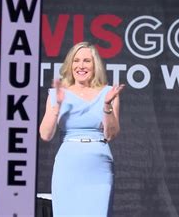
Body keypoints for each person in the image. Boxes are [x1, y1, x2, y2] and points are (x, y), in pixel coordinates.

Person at [39, 42, 125, 216]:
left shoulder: (108, 93)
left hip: (98, 167)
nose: (81, 65)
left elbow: (111, 134)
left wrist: (107, 104)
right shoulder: (57, 93)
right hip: (68, 165)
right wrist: (57, 105)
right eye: (76, 60)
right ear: (70, 65)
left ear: (95, 65)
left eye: (87, 61)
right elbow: (45, 135)